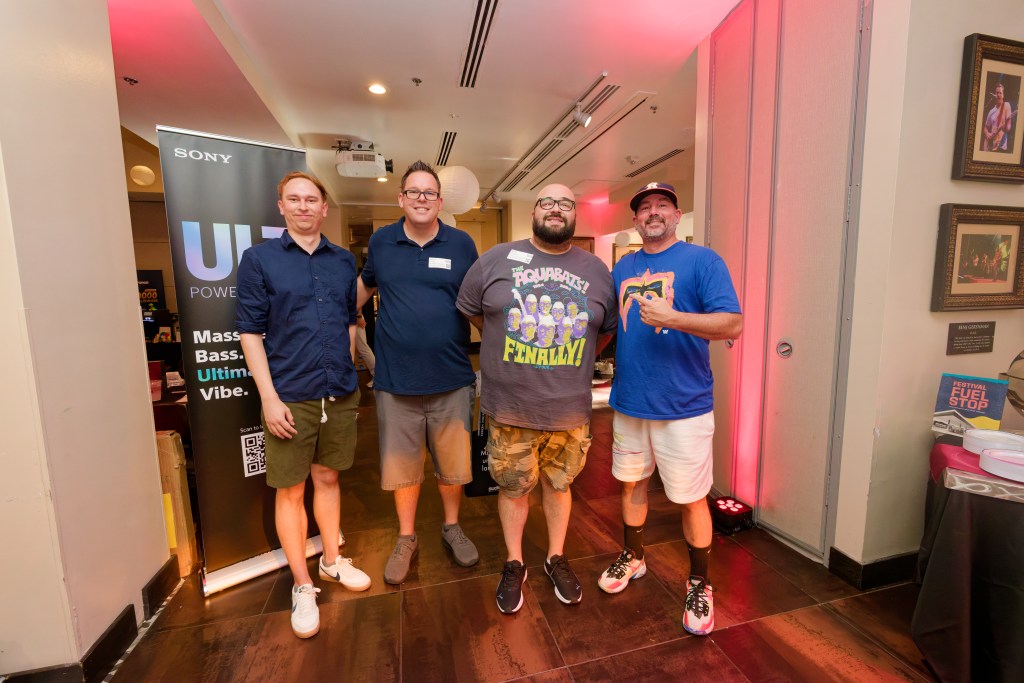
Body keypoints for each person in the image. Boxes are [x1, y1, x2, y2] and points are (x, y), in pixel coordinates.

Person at [457, 184, 616, 614]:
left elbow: (604, 330)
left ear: (575, 214)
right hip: (511, 407)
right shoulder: (495, 259)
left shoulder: (598, 270)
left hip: (569, 410)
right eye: (548, 202)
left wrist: (572, 359)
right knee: (513, 489)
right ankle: (514, 562)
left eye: (566, 203)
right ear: (534, 211)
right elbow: (472, 310)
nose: (556, 209)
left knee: (559, 486)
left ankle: (555, 557)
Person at [598, 182, 742, 637]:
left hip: (685, 406)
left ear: (677, 216)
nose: (652, 213)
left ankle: (699, 583)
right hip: (630, 402)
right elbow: (606, 326)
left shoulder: (703, 262)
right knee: (631, 483)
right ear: (635, 221)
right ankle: (634, 556)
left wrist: (674, 318)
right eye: (644, 208)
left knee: (691, 497)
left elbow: (732, 322)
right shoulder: (622, 266)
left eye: (662, 205)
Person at [236, 171, 371, 640]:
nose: (303, 206)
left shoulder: (342, 261)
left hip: (339, 388)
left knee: (329, 477)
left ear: (324, 207)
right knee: (291, 490)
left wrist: (351, 367)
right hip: (290, 395)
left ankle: (332, 560)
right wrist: (268, 398)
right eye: (293, 199)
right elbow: (249, 332)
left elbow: (350, 320)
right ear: (281, 207)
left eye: (311, 199)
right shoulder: (259, 260)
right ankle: (302, 583)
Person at [357, 160, 480, 584]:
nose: (422, 199)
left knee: (452, 467)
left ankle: (451, 527)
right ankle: (407, 537)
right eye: (414, 192)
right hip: (397, 380)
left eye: (430, 193)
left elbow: (479, 304)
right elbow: (361, 290)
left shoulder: (462, 244)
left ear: (441, 202)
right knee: (404, 468)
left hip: (451, 378)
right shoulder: (381, 242)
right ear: (401, 198)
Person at [982, 82, 1014, 152]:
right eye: (997, 93)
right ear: (994, 95)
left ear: (1003, 95)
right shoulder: (991, 111)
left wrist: (1006, 123)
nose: (999, 95)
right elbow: (985, 127)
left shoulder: (1007, 105)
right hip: (991, 146)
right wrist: (987, 134)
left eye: (1000, 93)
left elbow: (1008, 128)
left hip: (1001, 146)